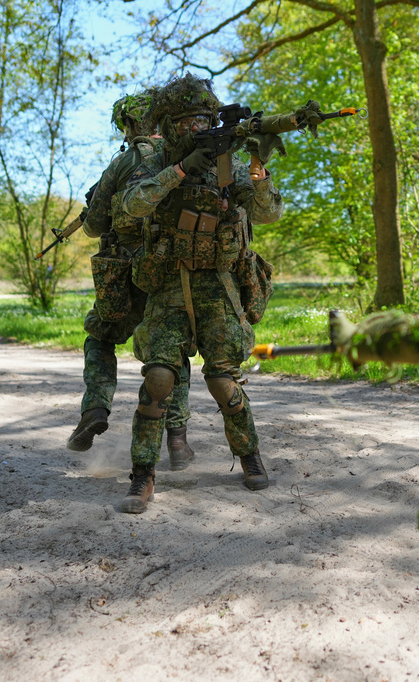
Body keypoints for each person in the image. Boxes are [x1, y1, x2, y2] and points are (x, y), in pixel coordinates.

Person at [118, 73, 285, 513]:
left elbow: (268, 214)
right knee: (158, 379)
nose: (194, 128)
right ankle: (142, 475)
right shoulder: (156, 163)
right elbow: (133, 204)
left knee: (223, 379)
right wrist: (181, 168)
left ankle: (249, 455)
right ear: (169, 126)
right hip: (169, 282)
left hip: (219, 283)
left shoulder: (225, 164)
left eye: (201, 120)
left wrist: (258, 172)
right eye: (185, 121)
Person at [66, 91, 197, 472]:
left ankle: (94, 408)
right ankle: (177, 439)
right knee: (171, 351)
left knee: (101, 336)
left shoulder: (124, 161)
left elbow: (92, 227)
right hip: (171, 271)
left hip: (123, 272)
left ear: (129, 124)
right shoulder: (183, 158)